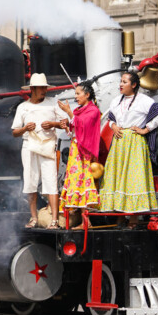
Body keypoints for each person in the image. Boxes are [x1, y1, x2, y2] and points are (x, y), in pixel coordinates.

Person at [101, 71, 158, 228]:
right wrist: (114, 126)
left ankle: (134, 218)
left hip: (135, 142)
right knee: (118, 177)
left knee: (133, 178)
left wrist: (146, 129)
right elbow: (111, 119)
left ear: (134, 85)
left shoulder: (144, 100)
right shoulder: (116, 100)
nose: (121, 84)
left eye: (124, 82)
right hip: (119, 143)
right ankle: (120, 214)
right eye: (121, 81)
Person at [12, 73, 68, 230]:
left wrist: (52, 124)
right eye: (41, 88)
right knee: (30, 181)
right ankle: (34, 217)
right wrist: (24, 128)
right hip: (29, 146)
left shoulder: (52, 103)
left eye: (45, 88)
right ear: (33, 89)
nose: (44, 90)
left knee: (51, 181)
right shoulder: (23, 107)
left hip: (47, 146)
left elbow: (65, 123)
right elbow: (15, 132)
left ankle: (54, 220)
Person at [58, 82, 101, 229]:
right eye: (75, 94)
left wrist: (69, 113)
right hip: (76, 149)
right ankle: (85, 221)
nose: (75, 97)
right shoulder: (79, 111)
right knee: (77, 182)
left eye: (78, 94)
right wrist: (67, 125)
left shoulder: (93, 111)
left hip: (84, 152)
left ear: (87, 95)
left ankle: (86, 221)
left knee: (83, 183)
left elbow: (83, 126)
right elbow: (75, 129)